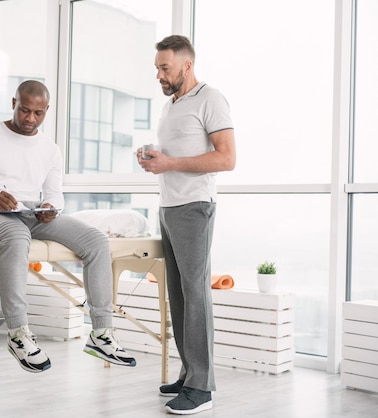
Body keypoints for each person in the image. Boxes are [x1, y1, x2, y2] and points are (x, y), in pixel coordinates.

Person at [0, 80, 136, 373]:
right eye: (25, 110)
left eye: (38, 113)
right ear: (14, 103)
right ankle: (18, 334)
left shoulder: (50, 149)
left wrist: (51, 208)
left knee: (96, 241)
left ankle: (101, 333)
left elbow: (54, 194)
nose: (30, 119)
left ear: (46, 110)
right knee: (16, 234)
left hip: (30, 213)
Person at [137, 35, 236, 414]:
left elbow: (226, 159)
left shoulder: (211, 99)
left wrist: (170, 164)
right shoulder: (171, 105)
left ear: (186, 65)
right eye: (158, 68)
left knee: (196, 294)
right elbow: (175, 155)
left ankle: (202, 387)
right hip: (169, 206)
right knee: (177, 295)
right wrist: (153, 158)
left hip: (194, 206)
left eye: (165, 68)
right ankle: (188, 372)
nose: (159, 75)